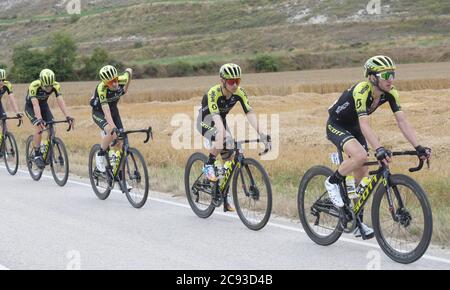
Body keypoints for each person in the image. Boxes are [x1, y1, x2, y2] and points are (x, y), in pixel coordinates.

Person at [325, 55, 431, 238]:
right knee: (360, 156)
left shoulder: (391, 93)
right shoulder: (362, 90)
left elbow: (402, 121)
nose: (391, 79)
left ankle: (356, 220)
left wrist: (418, 146)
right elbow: (365, 125)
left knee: (362, 175)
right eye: (386, 75)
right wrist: (379, 149)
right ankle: (332, 182)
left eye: (393, 74)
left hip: (356, 127)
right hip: (337, 124)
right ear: (373, 77)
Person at [197, 63, 271, 211]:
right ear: (222, 81)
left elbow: (249, 113)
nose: (235, 85)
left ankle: (224, 195)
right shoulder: (213, 93)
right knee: (222, 136)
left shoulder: (239, 93)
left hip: (220, 121)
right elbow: (216, 118)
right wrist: (225, 136)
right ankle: (208, 165)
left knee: (230, 160)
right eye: (231, 82)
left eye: (238, 81)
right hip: (205, 120)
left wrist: (262, 134)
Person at [24, 69, 74, 169]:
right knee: (39, 127)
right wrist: (39, 119)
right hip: (31, 107)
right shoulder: (34, 86)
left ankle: (47, 148)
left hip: (43, 106)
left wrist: (68, 116)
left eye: (50, 86)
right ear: (41, 82)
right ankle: (37, 153)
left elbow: (60, 101)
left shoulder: (55, 85)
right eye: (46, 86)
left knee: (52, 127)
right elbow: (35, 105)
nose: (48, 88)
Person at [90, 65, 132, 173]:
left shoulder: (122, 79)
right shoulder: (101, 88)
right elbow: (106, 110)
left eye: (115, 80)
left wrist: (125, 89)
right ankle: (100, 154)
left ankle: (120, 176)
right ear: (105, 83)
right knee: (110, 130)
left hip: (114, 111)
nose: (114, 83)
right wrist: (113, 127)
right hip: (99, 112)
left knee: (121, 142)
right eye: (110, 82)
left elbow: (129, 72)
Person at [0, 69, 22, 157]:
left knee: (4, 122)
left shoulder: (7, 85)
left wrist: (17, 112)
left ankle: (2, 148)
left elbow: (12, 99)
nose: (1, 82)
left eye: (3, 80)